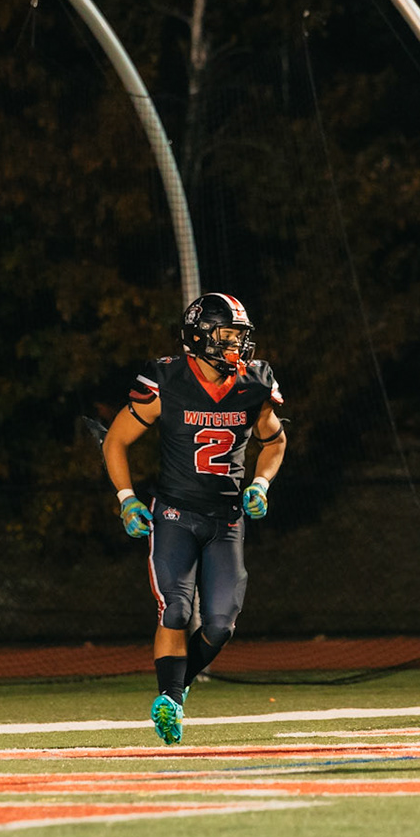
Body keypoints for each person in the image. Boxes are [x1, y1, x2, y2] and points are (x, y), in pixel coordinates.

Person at [101, 293, 288, 745]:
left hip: (226, 519)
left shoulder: (255, 382)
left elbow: (275, 441)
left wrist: (261, 484)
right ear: (199, 336)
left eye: (239, 336)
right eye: (226, 335)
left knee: (221, 624)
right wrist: (127, 499)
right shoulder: (167, 379)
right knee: (176, 609)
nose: (236, 345)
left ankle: (176, 685)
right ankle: (170, 699)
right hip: (175, 514)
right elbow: (115, 440)